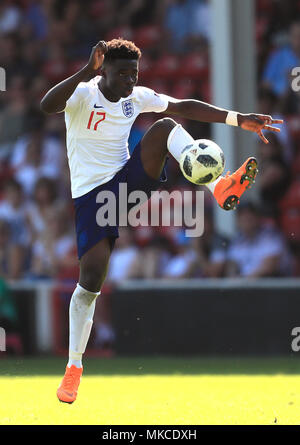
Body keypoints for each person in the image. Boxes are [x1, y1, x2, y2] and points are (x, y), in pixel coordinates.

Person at [40, 38, 282, 404]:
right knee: (90, 282)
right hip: (92, 197)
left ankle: (219, 187)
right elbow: (47, 105)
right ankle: (74, 368)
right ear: (103, 70)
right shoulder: (82, 93)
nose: (128, 81)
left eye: (133, 75)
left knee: (166, 125)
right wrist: (84, 71)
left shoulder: (134, 98)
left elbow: (184, 105)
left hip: (125, 183)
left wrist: (237, 119)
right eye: (122, 73)